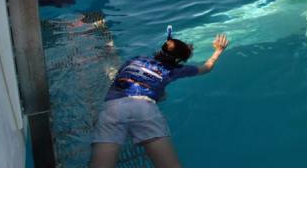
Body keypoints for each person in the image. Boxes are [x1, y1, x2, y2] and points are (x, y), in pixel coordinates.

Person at [90, 29, 230, 168]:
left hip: (113, 107)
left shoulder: (135, 59)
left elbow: (121, 79)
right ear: (179, 61)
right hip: (144, 109)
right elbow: (207, 67)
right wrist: (218, 51)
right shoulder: (175, 70)